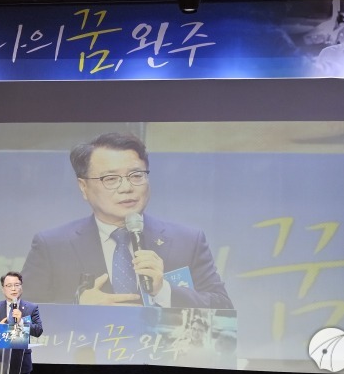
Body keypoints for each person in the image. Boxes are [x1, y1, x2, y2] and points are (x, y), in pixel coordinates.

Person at [21, 132, 233, 309]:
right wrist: (77, 308)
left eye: (136, 176)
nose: (126, 188)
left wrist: (163, 291)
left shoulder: (187, 241)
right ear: (84, 187)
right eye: (111, 179)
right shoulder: (52, 246)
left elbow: (223, 310)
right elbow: (15, 326)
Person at [0, 271, 44, 374]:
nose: (13, 289)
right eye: (9, 285)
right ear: (3, 289)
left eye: (17, 285)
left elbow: (38, 330)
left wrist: (21, 321)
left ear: (21, 287)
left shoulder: (31, 308)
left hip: (21, 363)